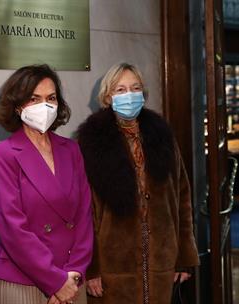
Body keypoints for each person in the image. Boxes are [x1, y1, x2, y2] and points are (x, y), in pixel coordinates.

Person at [76, 62, 199, 304]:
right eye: (120, 90)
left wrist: (184, 256)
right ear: (108, 97)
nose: (129, 95)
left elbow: (181, 197)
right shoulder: (92, 143)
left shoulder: (162, 136)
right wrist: (92, 269)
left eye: (135, 88)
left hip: (162, 259)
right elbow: (83, 210)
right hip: (113, 264)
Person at [0, 64, 94, 304]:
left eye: (51, 98)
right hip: (22, 282)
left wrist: (74, 273)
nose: (44, 106)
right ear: (17, 105)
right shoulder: (3, 154)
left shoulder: (71, 149)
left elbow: (84, 216)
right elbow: (13, 228)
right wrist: (55, 281)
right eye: (34, 99)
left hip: (72, 280)